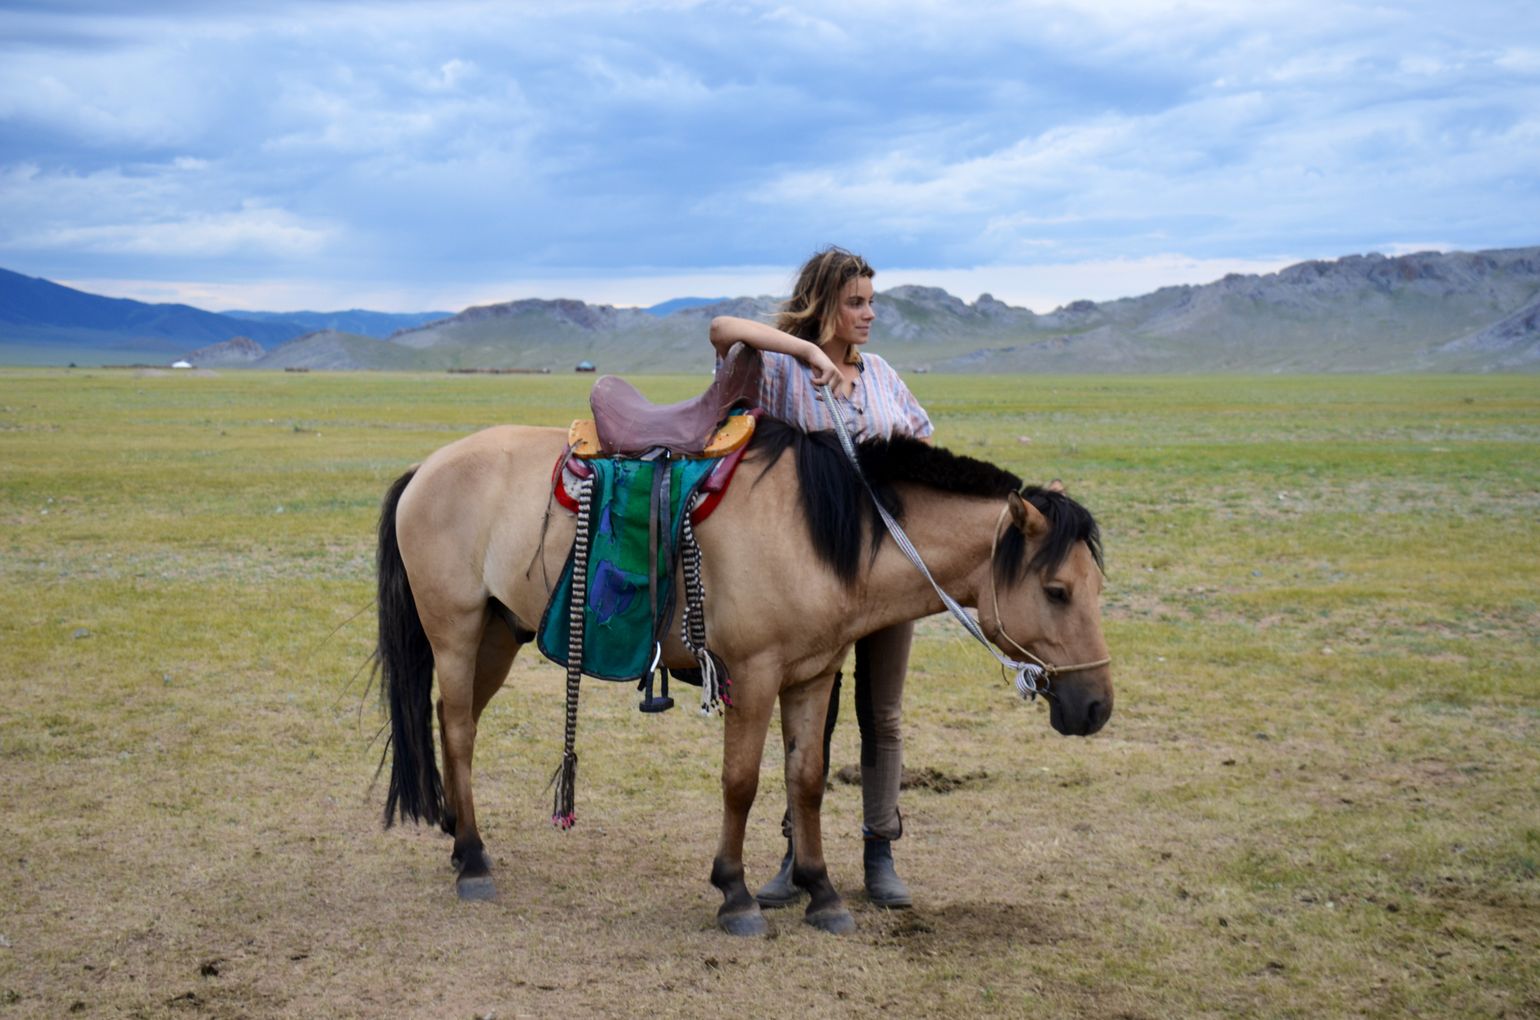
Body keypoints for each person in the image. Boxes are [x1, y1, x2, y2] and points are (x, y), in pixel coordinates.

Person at [708, 246, 933, 909]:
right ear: (825, 303)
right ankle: (794, 852)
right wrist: (808, 353)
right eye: (856, 302)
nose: (869, 314)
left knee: (883, 715)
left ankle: (879, 848)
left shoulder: (883, 374)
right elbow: (723, 331)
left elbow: (921, 439)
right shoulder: (783, 369)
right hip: (808, 582)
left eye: (872, 302)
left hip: (886, 573)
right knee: (811, 717)